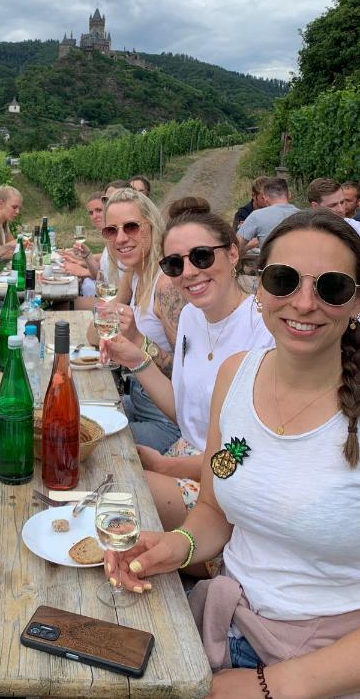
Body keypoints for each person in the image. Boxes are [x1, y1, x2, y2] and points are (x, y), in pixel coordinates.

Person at [105, 210, 360, 697]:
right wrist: (174, 545)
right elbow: (213, 510)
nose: (304, 303)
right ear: (260, 286)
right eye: (284, 280)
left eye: (332, 287)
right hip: (229, 624)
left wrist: (274, 684)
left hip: (323, 664)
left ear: (356, 301)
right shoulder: (237, 375)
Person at [103, 198, 273, 531]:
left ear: (233, 254)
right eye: (174, 264)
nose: (190, 272)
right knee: (101, 465)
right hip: (185, 457)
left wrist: (170, 468)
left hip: (227, 485)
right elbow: (184, 414)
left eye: (202, 256)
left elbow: (251, 452)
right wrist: (138, 359)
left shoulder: (264, 330)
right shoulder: (193, 317)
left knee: (114, 493)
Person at [87, 188, 186, 452]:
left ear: (152, 227)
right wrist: (107, 313)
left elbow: (188, 374)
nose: (120, 238)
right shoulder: (134, 274)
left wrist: (138, 341)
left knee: (89, 440)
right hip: (140, 400)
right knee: (77, 411)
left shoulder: (166, 285)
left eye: (131, 227)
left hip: (168, 422)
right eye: (111, 230)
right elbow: (93, 335)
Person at [237, 177, 298, 253]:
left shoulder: (256, 216)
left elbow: (236, 248)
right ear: (289, 195)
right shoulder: (303, 216)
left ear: (265, 198)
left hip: (269, 263)